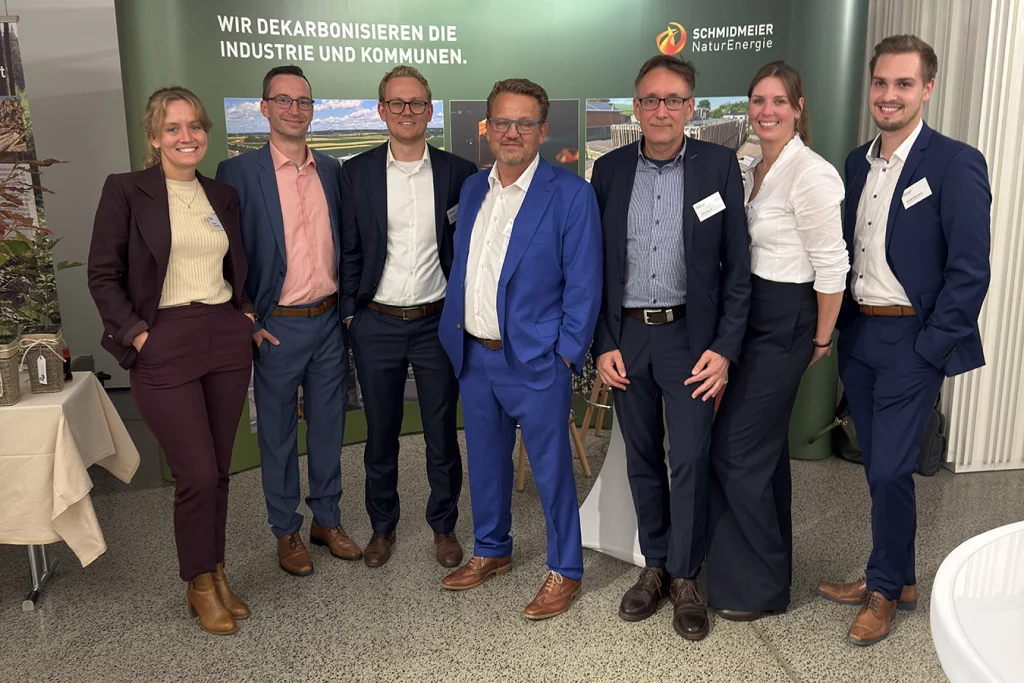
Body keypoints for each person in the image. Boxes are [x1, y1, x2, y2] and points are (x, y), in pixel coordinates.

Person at [818, 34, 991, 646]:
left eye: (904, 84)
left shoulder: (954, 161)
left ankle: (885, 589)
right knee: (876, 468)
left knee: (890, 468)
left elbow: (970, 270)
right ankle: (898, 574)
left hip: (912, 341)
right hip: (860, 333)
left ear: (927, 89)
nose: (889, 96)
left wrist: (930, 347)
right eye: (881, 84)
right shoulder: (853, 161)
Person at [590, 55, 751, 641]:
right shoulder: (607, 172)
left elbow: (738, 268)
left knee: (687, 461)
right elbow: (596, 267)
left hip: (691, 340)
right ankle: (654, 566)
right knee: (639, 460)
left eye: (673, 99)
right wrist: (602, 342)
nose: (661, 110)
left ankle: (685, 576)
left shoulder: (719, 166)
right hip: (627, 339)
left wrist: (725, 348)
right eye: (650, 99)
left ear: (690, 108)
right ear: (636, 107)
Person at [88, 87, 254, 635]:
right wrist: (137, 336)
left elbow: (237, 265)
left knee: (221, 472)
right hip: (162, 339)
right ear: (154, 138)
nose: (187, 137)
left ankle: (219, 570)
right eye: (174, 128)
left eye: (195, 127)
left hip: (224, 338)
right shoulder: (126, 191)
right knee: (196, 475)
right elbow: (103, 274)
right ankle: (197, 582)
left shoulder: (219, 194)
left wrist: (244, 315)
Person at [437, 78, 602, 620]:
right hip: (475, 355)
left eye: (524, 123)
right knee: (485, 462)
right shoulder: (472, 189)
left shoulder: (570, 193)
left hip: (536, 360)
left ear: (542, 130)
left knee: (553, 472)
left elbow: (584, 284)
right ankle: (492, 549)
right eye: (501, 122)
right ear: (486, 128)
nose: (512, 132)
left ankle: (566, 569)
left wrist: (564, 354)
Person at [704, 61, 849, 621]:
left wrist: (818, 340)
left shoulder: (811, 174)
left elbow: (832, 267)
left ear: (798, 108)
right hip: (746, 313)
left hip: (788, 319)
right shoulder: (748, 165)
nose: (766, 111)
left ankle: (758, 586)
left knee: (736, 450)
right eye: (758, 100)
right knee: (758, 454)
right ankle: (759, 573)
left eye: (778, 102)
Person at [216, 65, 356, 577]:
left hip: (327, 321)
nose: (295, 109)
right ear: (264, 107)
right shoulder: (237, 174)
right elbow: (225, 254)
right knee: (276, 435)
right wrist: (247, 317)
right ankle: (286, 530)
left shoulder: (334, 172)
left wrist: (345, 313)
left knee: (328, 428)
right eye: (284, 100)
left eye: (304, 101)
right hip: (277, 324)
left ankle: (328, 519)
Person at [339, 65, 477, 568]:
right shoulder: (355, 173)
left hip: (436, 323)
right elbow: (349, 250)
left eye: (417, 103)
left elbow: (466, 251)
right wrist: (352, 314)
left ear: (430, 110)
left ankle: (443, 526)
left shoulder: (457, 173)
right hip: (375, 323)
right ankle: (383, 527)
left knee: (442, 432)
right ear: (381, 111)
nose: (407, 112)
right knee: (380, 433)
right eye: (396, 103)